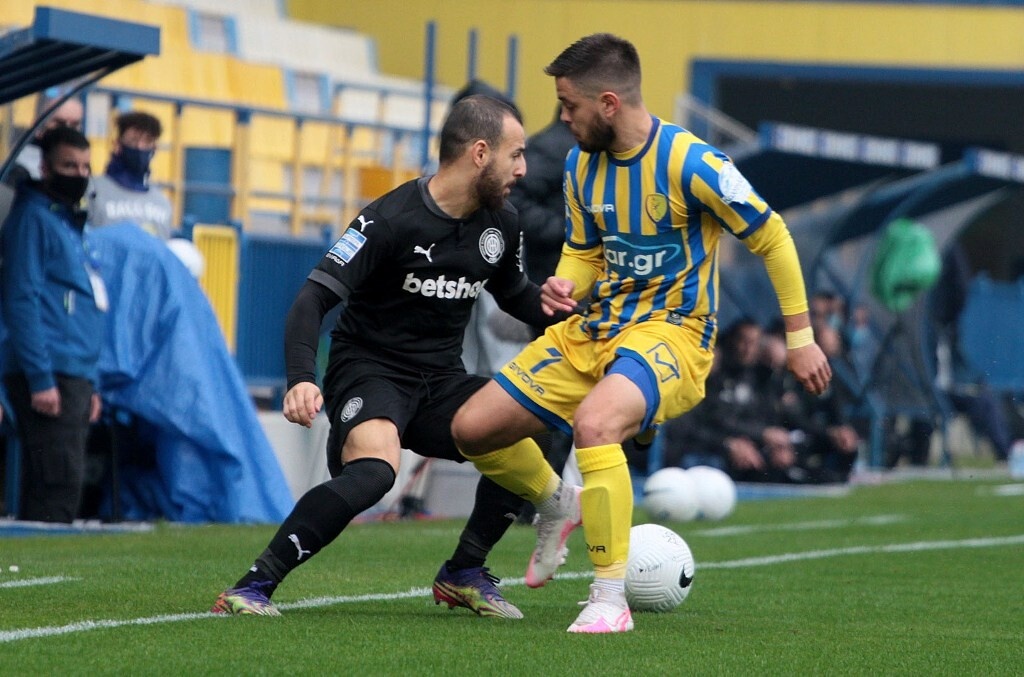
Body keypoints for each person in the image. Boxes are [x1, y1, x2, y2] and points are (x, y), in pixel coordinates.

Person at [451, 33, 831, 634]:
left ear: (607, 103)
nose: (562, 120)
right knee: (474, 430)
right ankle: (559, 504)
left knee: (596, 426)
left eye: (569, 106)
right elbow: (584, 249)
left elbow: (772, 235)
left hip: (672, 336)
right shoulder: (580, 164)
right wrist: (566, 286)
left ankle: (609, 598)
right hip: (594, 330)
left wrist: (801, 336)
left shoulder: (692, 162)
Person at [211, 94, 566, 618]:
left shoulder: (503, 223)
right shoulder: (389, 220)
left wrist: (552, 302)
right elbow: (312, 300)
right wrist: (300, 379)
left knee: (531, 418)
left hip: (442, 381)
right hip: (370, 372)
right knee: (377, 474)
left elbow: (514, 294)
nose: (523, 168)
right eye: (515, 155)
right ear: (479, 153)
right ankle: (253, 585)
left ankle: (465, 570)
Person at [0, 126, 106, 522]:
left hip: (73, 372)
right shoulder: (32, 218)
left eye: (84, 165)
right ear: (45, 168)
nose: (79, 173)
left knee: (63, 482)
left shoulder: (68, 222)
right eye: (68, 165)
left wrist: (90, 379)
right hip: (51, 372)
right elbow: (20, 299)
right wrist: (40, 377)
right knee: (55, 484)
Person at [88, 111, 174, 241]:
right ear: (117, 145)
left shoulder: (163, 203)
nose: (140, 147)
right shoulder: (93, 189)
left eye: (147, 141)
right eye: (134, 140)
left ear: (154, 148)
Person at [3, 92, 84, 188]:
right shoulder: (19, 172)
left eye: (74, 125)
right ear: (38, 127)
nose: (67, 131)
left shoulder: (83, 168)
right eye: (59, 123)